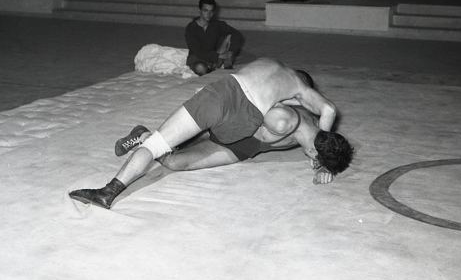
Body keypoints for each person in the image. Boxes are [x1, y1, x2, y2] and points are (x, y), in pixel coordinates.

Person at [69, 58, 353, 209]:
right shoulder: (288, 118)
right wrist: (322, 161)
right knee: (173, 142)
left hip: (242, 139)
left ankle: (143, 136)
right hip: (236, 117)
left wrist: (324, 163)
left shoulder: (301, 110)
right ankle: (115, 184)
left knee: (173, 160)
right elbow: (322, 118)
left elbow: (327, 122)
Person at [185, 0, 244, 75]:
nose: (209, 14)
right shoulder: (191, 28)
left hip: (214, 58)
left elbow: (237, 34)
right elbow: (198, 52)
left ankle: (225, 66)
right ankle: (211, 71)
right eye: (205, 10)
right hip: (197, 58)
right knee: (200, 68)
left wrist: (231, 52)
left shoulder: (217, 24)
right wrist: (221, 56)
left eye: (211, 11)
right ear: (199, 11)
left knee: (230, 36)